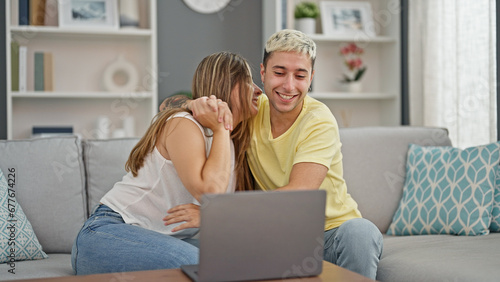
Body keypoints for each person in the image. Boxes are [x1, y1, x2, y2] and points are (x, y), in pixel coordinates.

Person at [160, 29, 383, 279]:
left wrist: (216, 214)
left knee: (361, 231)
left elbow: (301, 193)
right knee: (186, 256)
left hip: (332, 236)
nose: (289, 86)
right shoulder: (252, 110)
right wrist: (191, 103)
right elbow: (168, 106)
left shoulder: (319, 120)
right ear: (263, 73)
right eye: (279, 73)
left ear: (311, 78)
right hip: (276, 236)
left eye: (300, 75)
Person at [71, 51, 260, 275]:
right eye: (247, 81)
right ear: (224, 84)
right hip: (108, 233)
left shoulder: (229, 145)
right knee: (204, 266)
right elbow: (210, 194)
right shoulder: (184, 124)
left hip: (159, 242)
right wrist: (221, 125)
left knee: (247, 260)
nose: (258, 89)